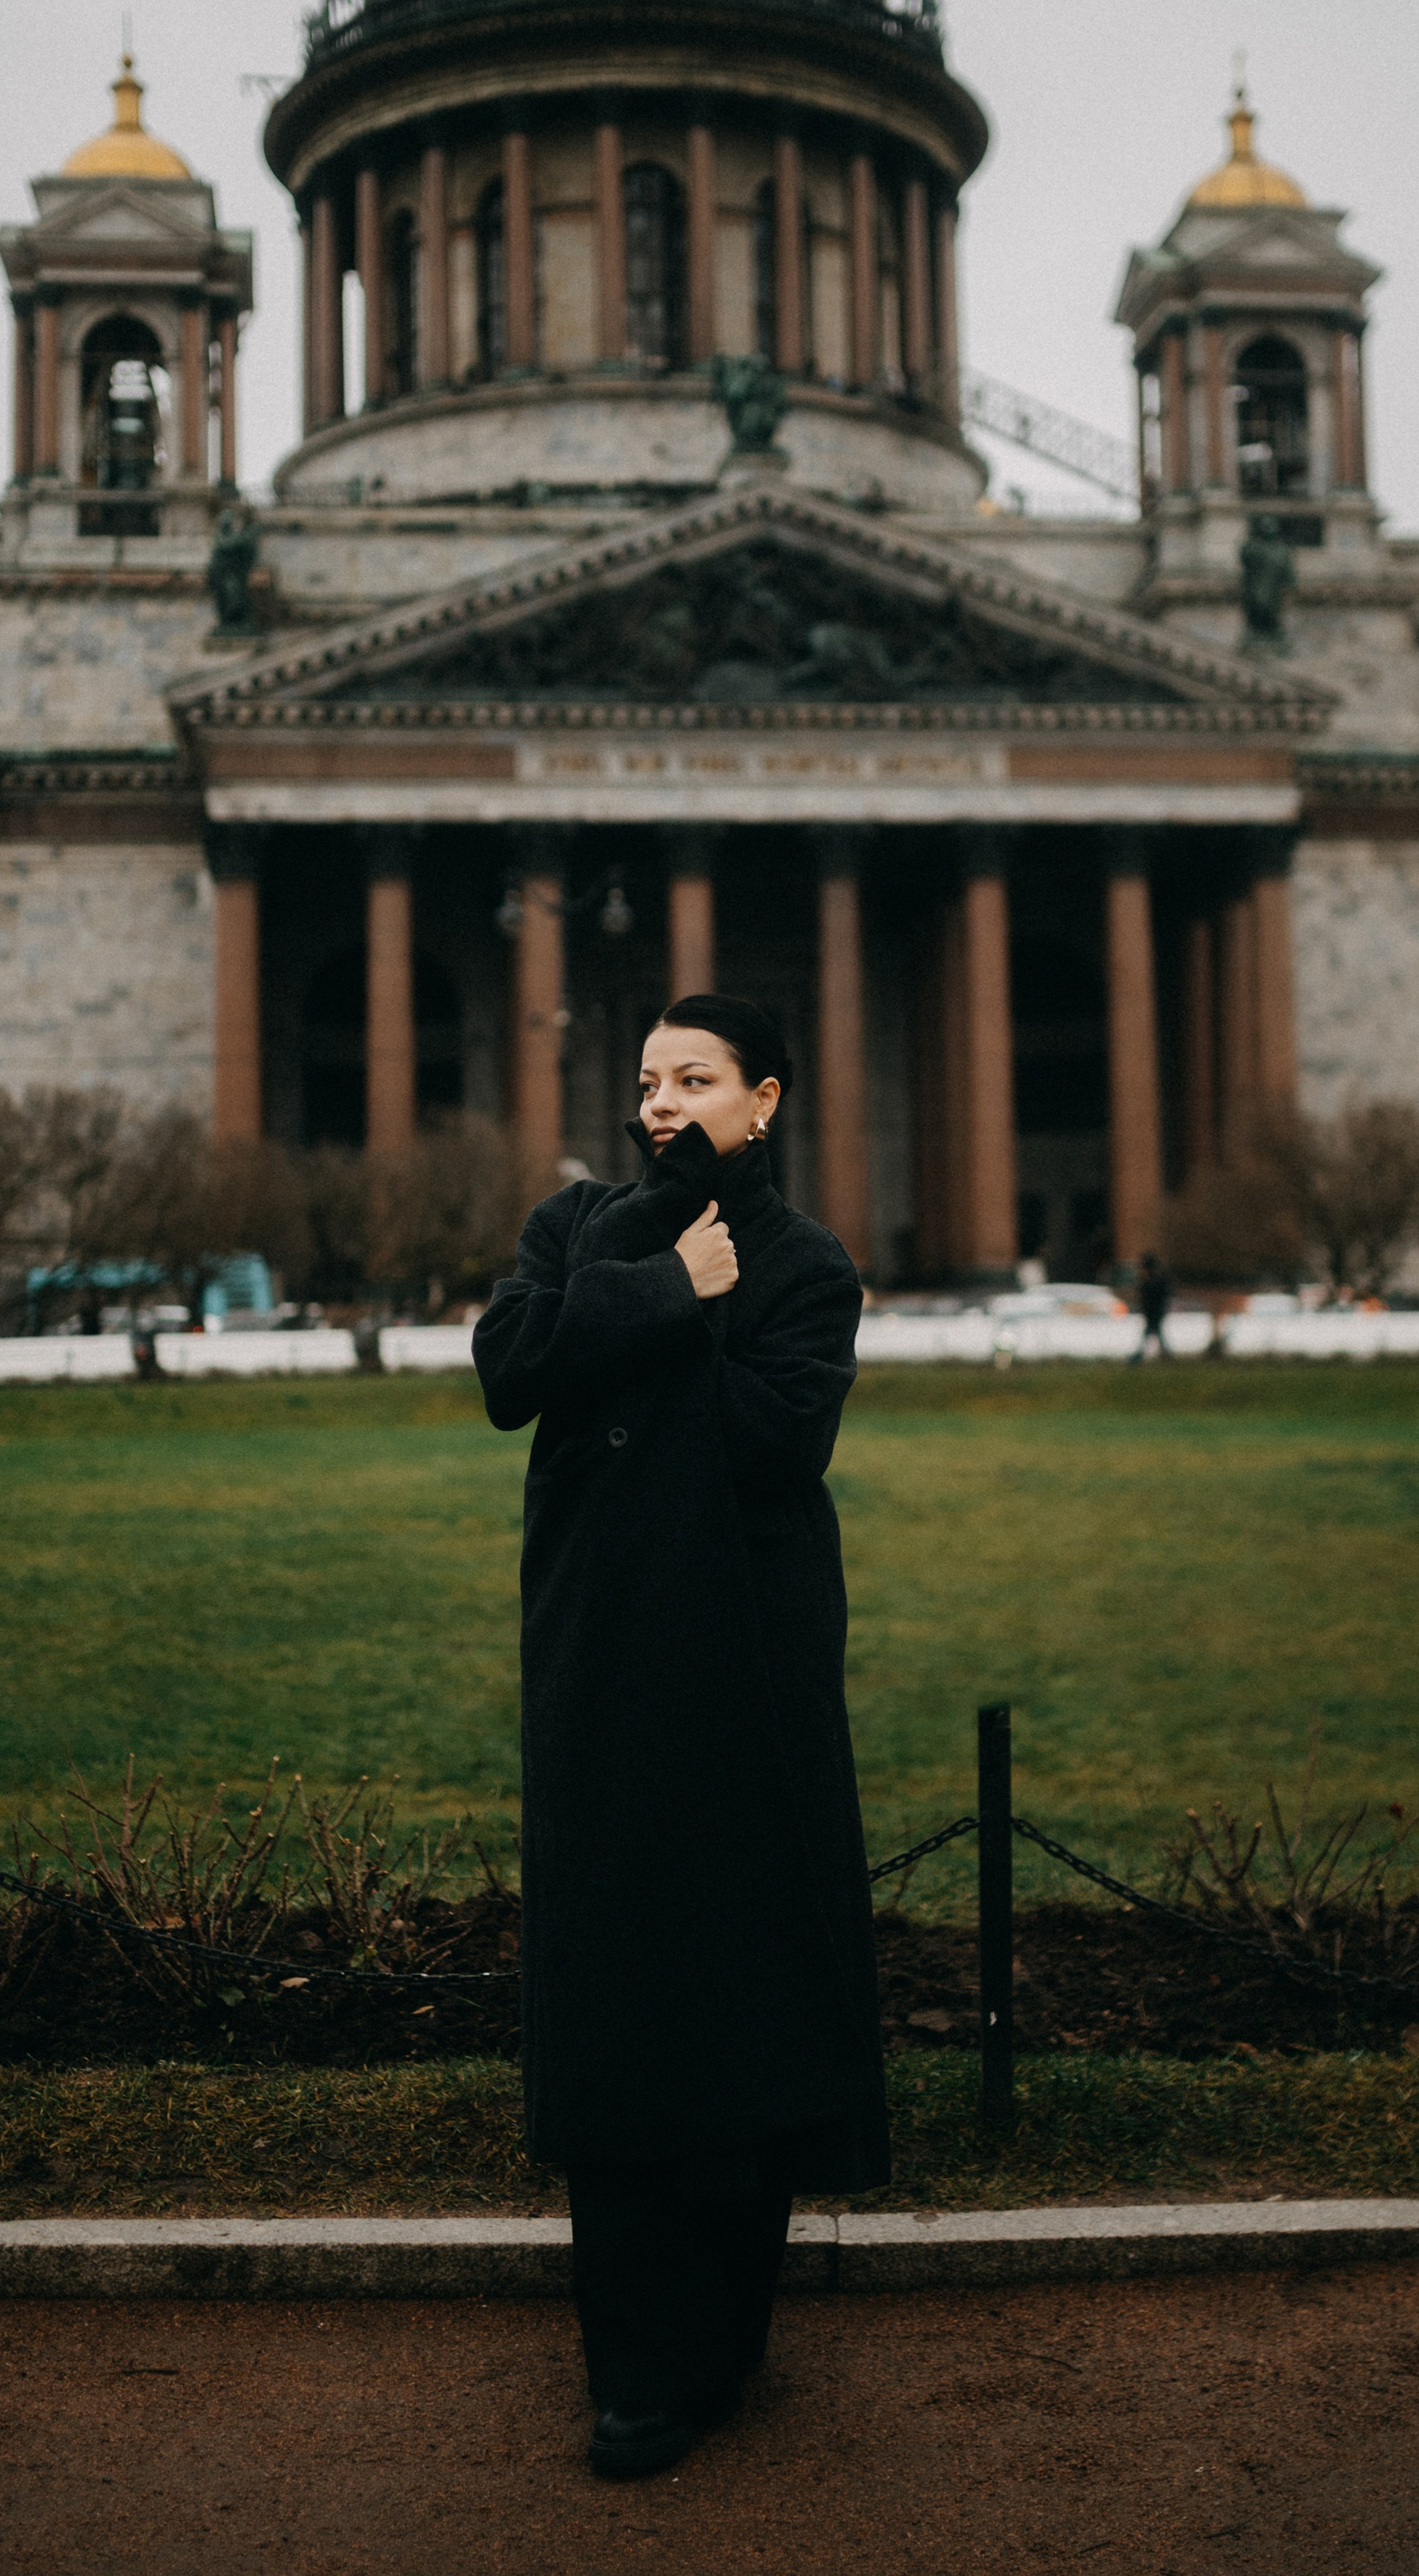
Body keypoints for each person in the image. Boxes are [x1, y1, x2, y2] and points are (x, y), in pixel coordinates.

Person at [472, 994, 888, 2481]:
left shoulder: (806, 1267)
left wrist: (679, 1300)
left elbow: (776, 1441)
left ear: (762, 1100)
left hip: (748, 1668)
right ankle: (634, 2370)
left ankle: (721, 2342)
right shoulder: (578, 1225)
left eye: (696, 1080)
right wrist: (659, 1285)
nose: (662, 1102)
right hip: (600, 1658)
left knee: (738, 1994)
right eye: (648, 1079)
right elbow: (506, 1370)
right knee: (623, 2004)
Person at [1133, 1250, 1173, 1362]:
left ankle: (1138, 1357)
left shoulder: (1152, 1281)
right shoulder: (1158, 1279)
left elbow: (1148, 1297)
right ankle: (1166, 1357)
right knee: (1156, 1334)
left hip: (1153, 1312)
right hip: (1155, 1311)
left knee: (1150, 1335)